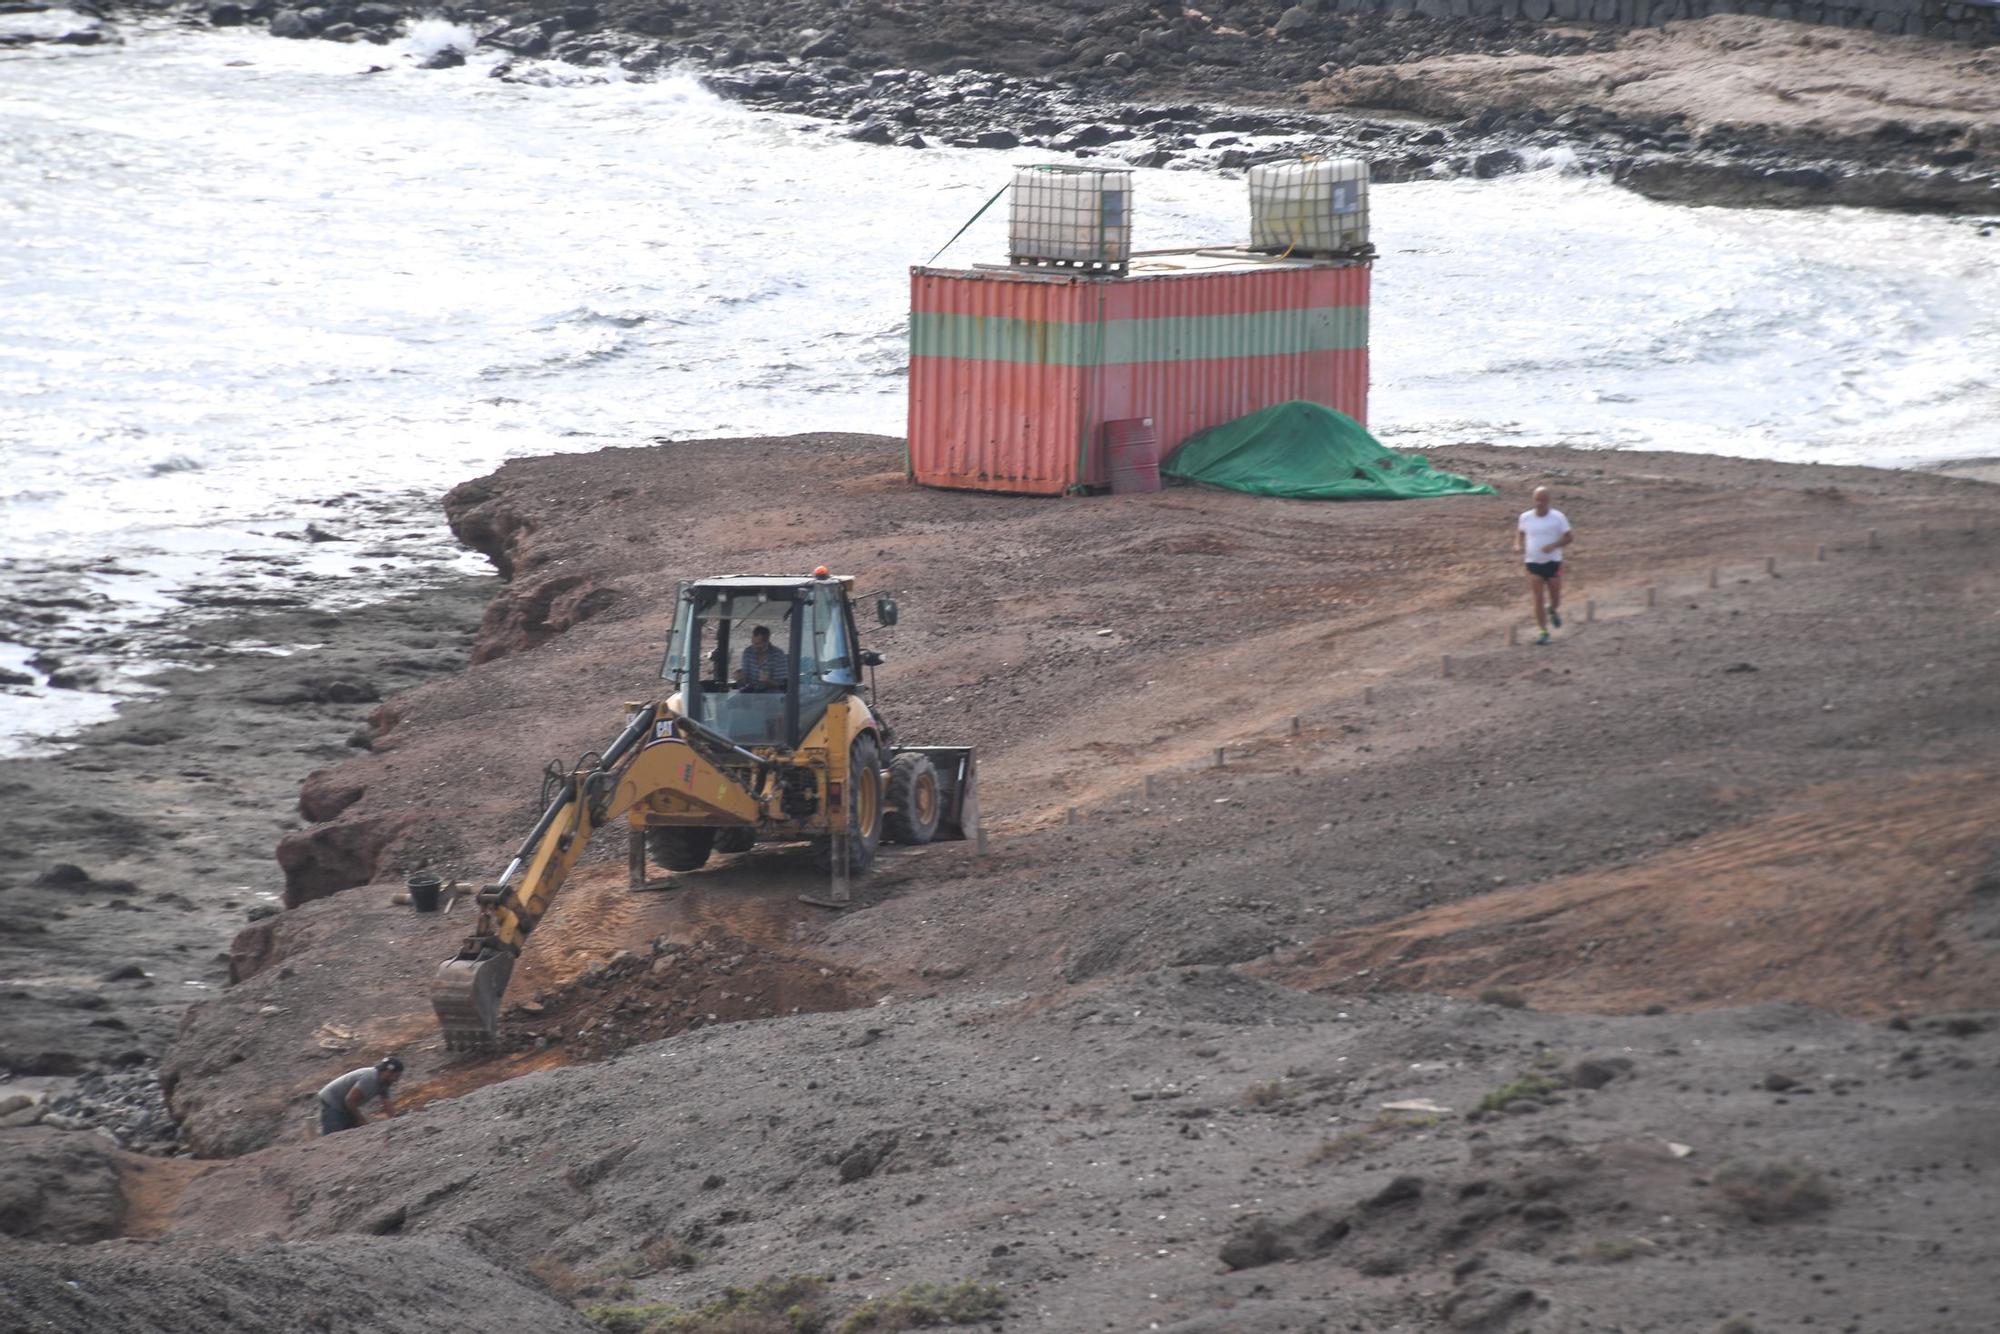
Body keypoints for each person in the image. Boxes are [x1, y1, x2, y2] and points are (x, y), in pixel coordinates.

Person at [1515, 486, 1572, 645]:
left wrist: (1554, 545)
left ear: (1548, 501)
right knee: (1537, 597)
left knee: (1555, 598)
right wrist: (1518, 545)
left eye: (1542, 500)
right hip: (1533, 562)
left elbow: (1569, 537)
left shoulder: (1558, 517)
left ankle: (1552, 609)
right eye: (1537, 500)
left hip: (1553, 563)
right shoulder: (1525, 517)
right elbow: (1520, 532)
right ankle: (1543, 632)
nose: (1539, 503)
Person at [317, 1055, 402, 1136]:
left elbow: (387, 1103)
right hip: (332, 1100)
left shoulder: (384, 1083)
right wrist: (362, 1120)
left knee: (353, 1133)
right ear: (388, 1072)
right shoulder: (370, 1078)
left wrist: (394, 1122)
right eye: (396, 1076)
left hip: (345, 1105)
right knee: (334, 1135)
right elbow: (349, 1100)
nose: (396, 1080)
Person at [734, 624, 789, 690]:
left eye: (757, 644)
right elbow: (746, 681)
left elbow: (781, 685)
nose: (754, 647)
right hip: (751, 692)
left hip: (771, 694)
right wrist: (740, 678)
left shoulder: (778, 655)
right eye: (753, 643)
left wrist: (767, 681)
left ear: (766, 642)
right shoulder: (748, 652)